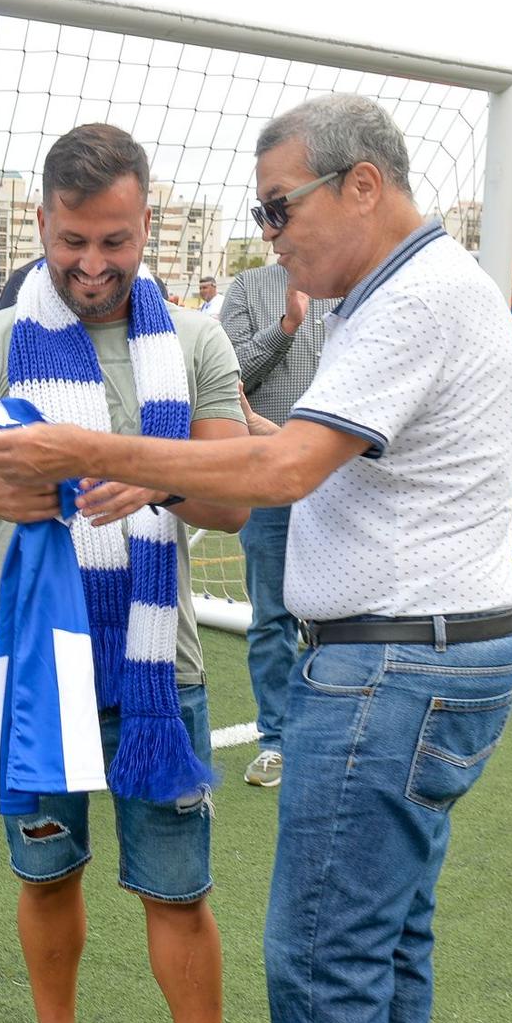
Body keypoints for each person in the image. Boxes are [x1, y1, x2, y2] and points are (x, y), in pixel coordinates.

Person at [0, 93, 512, 1023]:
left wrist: (95, 452)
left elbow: (278, 468)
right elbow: (293, 450)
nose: (267, 231)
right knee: (388, 940)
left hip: (393, 663)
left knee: (323, 949)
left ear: (361, 188)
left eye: (279, 204)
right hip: (436, 649)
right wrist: (189, 460)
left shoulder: (414, 297)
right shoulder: (416, 295)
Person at [0, 122, 272, 1023]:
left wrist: (140, 474)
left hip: (161, 667)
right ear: (41, 227)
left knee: (177, 889)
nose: (91, 265)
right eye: (70, 241)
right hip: (29, 666)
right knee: (46, 871)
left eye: (113, 239)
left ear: (145, 222)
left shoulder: (197, 342)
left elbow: (232, 498)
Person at [218, 261, 336, 788]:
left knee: (347, 614)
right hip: (268, 478)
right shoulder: (247, 287)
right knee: (271, 615)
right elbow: (228, 377)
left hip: (343, 477)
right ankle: (276, 742)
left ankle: (334, 737)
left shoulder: (354, 280)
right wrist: (286, 326)